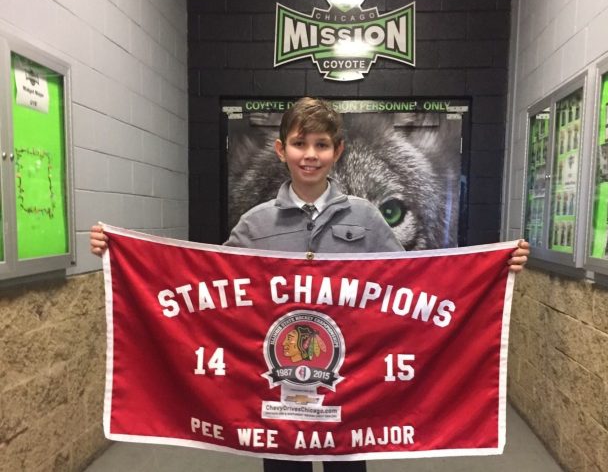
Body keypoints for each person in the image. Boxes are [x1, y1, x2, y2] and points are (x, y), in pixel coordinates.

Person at [90, 97, 530, 471]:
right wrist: (119, 251)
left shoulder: (365, 216)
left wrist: (494, 267)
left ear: (336, 150)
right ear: (282, 150)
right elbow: (207, 277)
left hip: (353, 389)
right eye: (300, 143)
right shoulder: (255, 222)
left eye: (321, 144)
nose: (310, 154)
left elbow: (417, 281)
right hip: (277, 394)